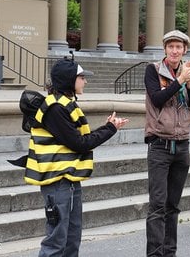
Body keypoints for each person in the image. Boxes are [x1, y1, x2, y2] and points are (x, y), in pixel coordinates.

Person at [15, 57, 129, 256]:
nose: (85, 81)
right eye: (81, 77)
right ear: (69, 80)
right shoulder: (55, 108)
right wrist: (110, 129)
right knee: (56, 242)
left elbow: (78, 139)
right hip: (58, 181)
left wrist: (108, 127)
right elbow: (79, 143)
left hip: (67, 180)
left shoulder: (64, 104)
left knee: (71, 239)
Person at [144, 30, 190, 257]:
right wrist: (180, 80)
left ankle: (170, 252)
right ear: (165, 49)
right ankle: (155, 254)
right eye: (171, 47)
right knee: (157, 206)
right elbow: (157, 99)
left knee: (173, 206)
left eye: (179, 47)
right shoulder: (153, 70)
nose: (175, 51)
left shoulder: (187, 73)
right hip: (160, 145)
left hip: (182, 145)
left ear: (185, 50)